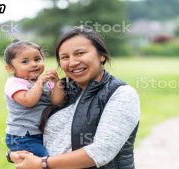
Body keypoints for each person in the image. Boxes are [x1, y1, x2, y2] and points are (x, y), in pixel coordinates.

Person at [8, 27, 140, 169]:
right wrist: (12, 154)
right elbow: (31, 128)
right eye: (65, 57)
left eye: (80, 53)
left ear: (102, 55)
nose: (72, 62)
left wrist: (43, 163)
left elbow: (102, 151)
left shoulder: (121, 94)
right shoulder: (59, 89)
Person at [3, 39, 65, 158]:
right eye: (25, 61)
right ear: (10, 68)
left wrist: (56, 83)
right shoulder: (14, 83)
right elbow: (28, 101)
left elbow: (57, 102)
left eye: (37, 59)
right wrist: (41, 82)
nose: (34, 64)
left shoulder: (43, 82)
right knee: (45, 161)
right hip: (22, 136)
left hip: (40, 134)